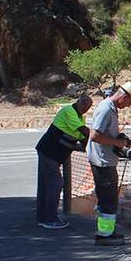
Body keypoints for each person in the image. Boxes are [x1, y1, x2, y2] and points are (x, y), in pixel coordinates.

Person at [87, 82, 131, 246]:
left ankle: (106, 231)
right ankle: (104, 235)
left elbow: (105, 133)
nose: (129, 106)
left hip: (104, 160)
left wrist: (119, 138)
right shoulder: (106, 109)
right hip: (103, 162)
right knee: (108, 201)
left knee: (106, 199)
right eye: (129, 102)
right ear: (124, 96)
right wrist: (118, 144)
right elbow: (95, 136)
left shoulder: (109, 107)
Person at [34, 94, 93, 229]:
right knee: (56, 183)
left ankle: (43, 217)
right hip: (49, 152)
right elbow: (83, 131)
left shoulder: (80, 117)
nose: (85, 109)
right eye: (83, 105)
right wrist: (101, 138)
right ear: (78, 102)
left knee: (46, 185)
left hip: (53, 154)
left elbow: (82, 138)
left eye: (87, 107)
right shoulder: (68, 111)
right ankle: (49, 218)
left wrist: (88, 147)